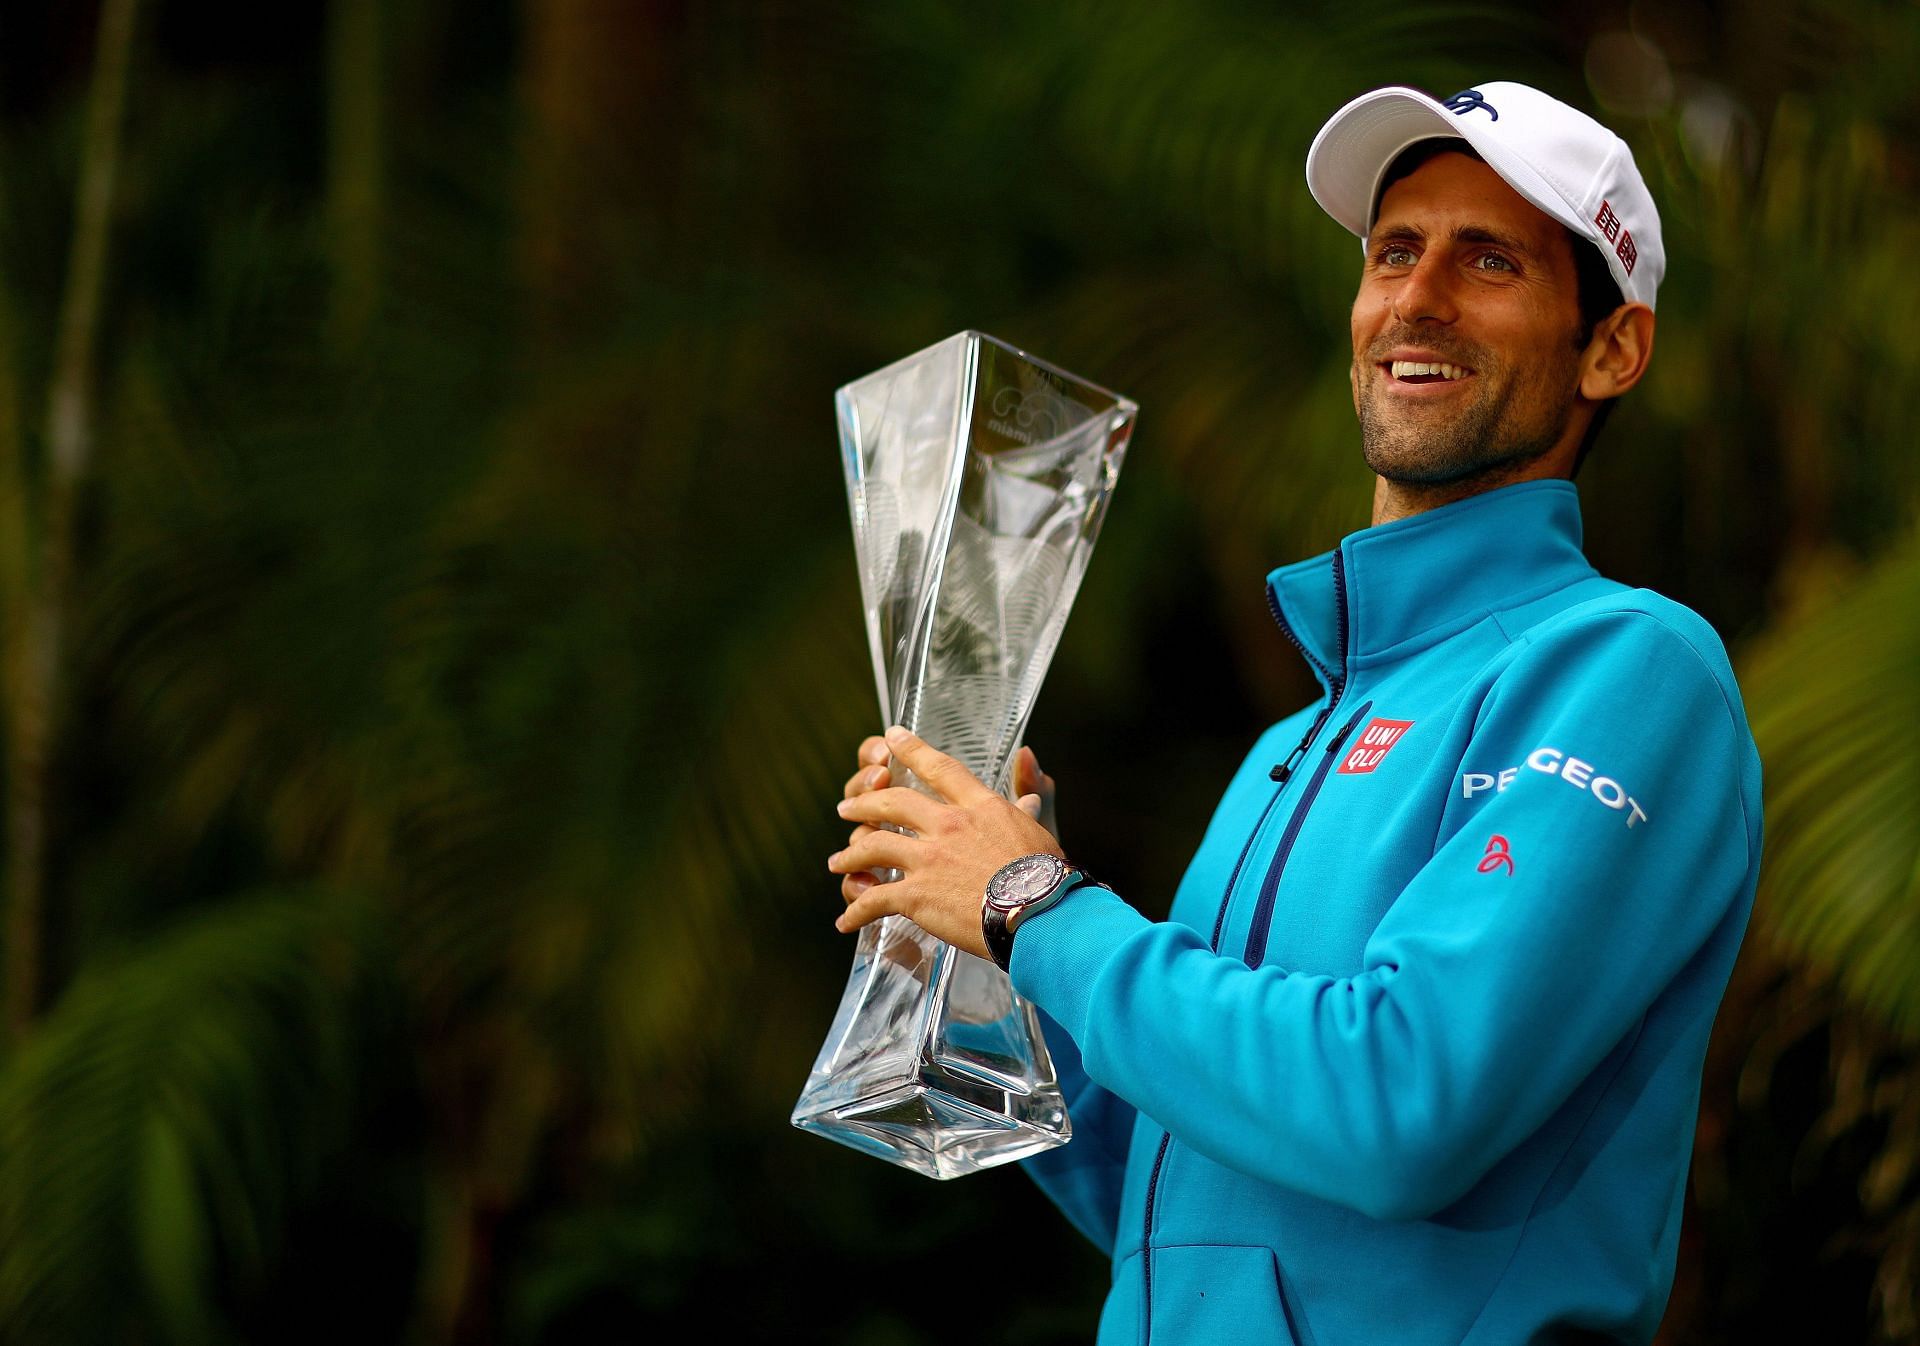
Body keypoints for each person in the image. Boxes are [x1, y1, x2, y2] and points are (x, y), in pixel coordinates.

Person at [828, 80, 1761, 1345]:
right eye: (1394, 251)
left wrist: (1036, 909)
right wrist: (987, 950)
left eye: (1490, 260)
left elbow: (1401, 1104)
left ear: (1612, 348)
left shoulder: (1631, 668)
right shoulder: (1291, 743)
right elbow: (1175, 1197)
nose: (1417, 297)